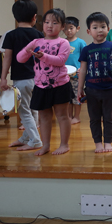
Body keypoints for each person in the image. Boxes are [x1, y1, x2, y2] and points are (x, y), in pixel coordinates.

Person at [17, 8, 73, 156]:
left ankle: (64, 144)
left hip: (60, 85)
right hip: (41, 86)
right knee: (44, 117)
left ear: (62, 27)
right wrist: (28, 49)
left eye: (55, 23)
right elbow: (20, 59)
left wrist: (43, 56)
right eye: (47, 22)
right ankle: (45, 146)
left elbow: (60, 61)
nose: (50, 25)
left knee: (62, 116)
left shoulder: (64, 42)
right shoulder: (36, 42)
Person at [78, 12, 112, 153]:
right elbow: (83, 70)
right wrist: (79, 88)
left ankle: (108, 142)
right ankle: (98, 143)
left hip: (109, 88)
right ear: (89, 31)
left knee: (109, 117)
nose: (99, 30)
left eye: (103, 27)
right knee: (94, 118)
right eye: (95, 27)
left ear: (108, 29)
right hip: (91, 89)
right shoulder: (86, 50)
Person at [1, 0, 44, 150]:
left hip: (22, 79)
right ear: (34, 17)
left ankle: (35, 140)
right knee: (33, 109)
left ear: (15, 17)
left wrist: (3, 78)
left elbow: (7, 58)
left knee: (23, 110)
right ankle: (26, 137)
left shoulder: (11, 35)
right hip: (38, 78)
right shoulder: (39, 34)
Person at [64, 16, 87, 125]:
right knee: (67, 98)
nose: (68, 31)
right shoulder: (62, 42)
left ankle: (77, 117)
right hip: (64, 76)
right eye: (66, 28)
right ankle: (69, 116)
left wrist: (82, 69)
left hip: (77, 76)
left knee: (76, 98)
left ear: (77, 28)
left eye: (71, 28)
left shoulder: (80, 43)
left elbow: (85, 58)